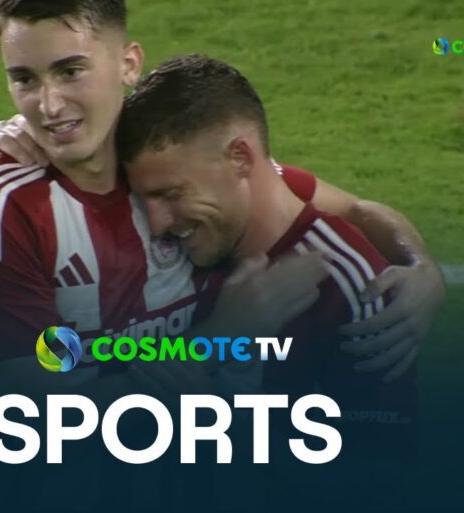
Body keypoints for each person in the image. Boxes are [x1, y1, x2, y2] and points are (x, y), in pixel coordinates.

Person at [0, 0, 441, 509]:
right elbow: (38, 422)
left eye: (70, 71)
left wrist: (421, 269)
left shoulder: (165, 173)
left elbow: (348, 208)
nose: (48, 106)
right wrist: (221, 337)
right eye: (24, 79)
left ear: (128, 64)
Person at [116, 55, 418, 463]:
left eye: (171, 194)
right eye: (145, 201)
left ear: (240, 159)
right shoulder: (197, 246)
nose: (155, 226)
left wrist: (215, 422)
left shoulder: (350, 288)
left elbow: (374, 474)